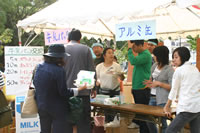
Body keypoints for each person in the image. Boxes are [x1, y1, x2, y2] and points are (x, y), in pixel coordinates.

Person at [33, 44, 87, 133]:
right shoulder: (59, 70)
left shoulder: (39, 66)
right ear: (59, 58)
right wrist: (79, 89)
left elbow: (35, 83)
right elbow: (63, 92)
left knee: (44, 131)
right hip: (57, 108)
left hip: (42, 105)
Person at [64, 29, 96, 133]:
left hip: (65, 92)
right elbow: (91, 69)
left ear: (68, 38)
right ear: (80, 39)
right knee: (83, 122)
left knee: (66, 122)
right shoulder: (86, 49)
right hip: (83, 91)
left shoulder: (62, 49)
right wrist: (94, 88)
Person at [164, 47, 200, 133]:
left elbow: (174, 90)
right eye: (173, 57)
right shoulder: (195, 69)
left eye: (176, 57)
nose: (173, 60)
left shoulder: (179, 70)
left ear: (183, 57)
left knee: (169, 131)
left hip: (187, 108)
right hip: (197, 107)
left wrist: (167, 106)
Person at [144, 46, 174, 133]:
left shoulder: (169, 69)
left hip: (163, 99)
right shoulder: (154, 66)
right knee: (149, 120)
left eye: (155, 55)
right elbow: (152, 79)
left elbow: (172, 87)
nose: (153, 56)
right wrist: (149, 83)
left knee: (162, 122)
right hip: (152, 97)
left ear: (160, 56)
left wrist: (159, 83)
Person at [127, 40, 152, 133]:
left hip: (142, 89)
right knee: (139, 114)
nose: (133, 49)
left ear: (140, 45)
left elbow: (133, 61)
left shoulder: (146, 54)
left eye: (134, 47)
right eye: (132, 47)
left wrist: (129, 49)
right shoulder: (141, 54)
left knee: (142, 116)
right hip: (137, 88)